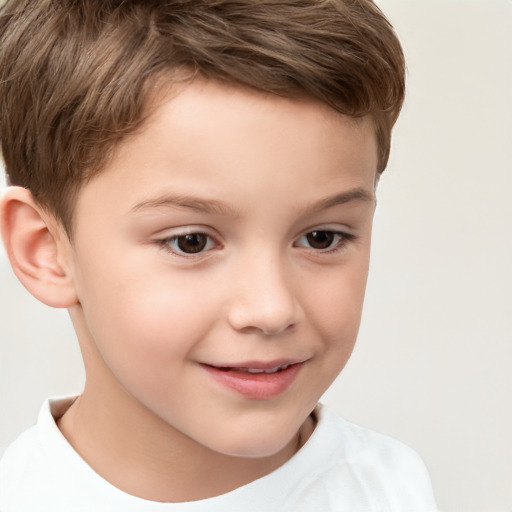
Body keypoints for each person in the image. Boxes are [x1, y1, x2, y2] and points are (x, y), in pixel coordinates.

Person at [0, 1, 439, 510]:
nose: (272, 309)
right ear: (47, 249)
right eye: (192, 241)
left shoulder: (393, 490)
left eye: (321, 238)